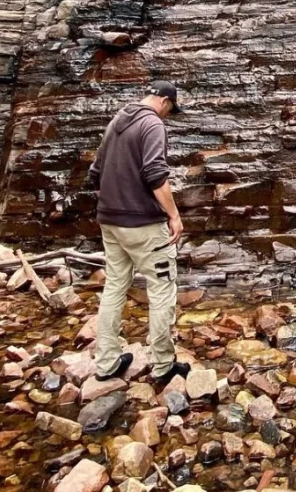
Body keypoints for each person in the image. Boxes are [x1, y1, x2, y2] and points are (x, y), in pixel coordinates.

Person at [88, 80, 189, 385]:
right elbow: (155, 173)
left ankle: (106, 362)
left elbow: (95, 173)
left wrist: (115, 203)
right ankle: (162, 365)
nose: (167, 116)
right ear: (165, 102)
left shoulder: (116, 121)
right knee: (161, 290)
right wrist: (174, 215)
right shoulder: (152, 124)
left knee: (115, 286)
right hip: (143, 226)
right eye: (170, 110)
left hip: (110, 222)